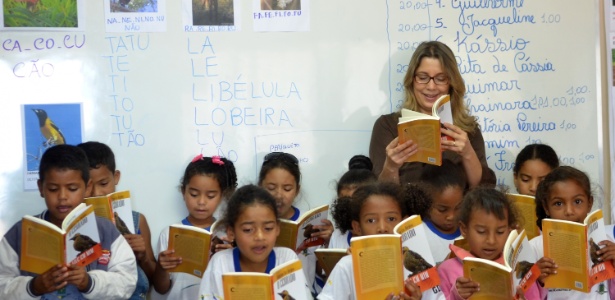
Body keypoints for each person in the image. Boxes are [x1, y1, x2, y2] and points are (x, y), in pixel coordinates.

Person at [0, 144, 137, 298]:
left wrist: (89, 282)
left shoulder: (106, 230)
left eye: (72, 188)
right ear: (41, 188)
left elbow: (127, 281)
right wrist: (34, 286)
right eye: (53, 189)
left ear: (87, 188)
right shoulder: (20, 233)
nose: (62, 197)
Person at [369, 41, 495, 188]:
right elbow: (380, 196)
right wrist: (391, 167)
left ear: (451, 83)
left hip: (456, 211)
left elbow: (484, 191)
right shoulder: (387, 126)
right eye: (423, 77)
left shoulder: (467, 130)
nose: (431, 86)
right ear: (412, 81)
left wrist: (467, 153)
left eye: (441, 79)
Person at [198, 184, 311, 299]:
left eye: (268, 228)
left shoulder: (287, 260)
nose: (260, 236)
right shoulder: (220, 263)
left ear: (277, 228)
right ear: (231, 232)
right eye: (248, 230)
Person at [152, 154, 237, 300]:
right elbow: (161, 289)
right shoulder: (169, 233)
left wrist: (233, 256)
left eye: (210, 196)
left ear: (222, 195)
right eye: (194, 194)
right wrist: (161, 267)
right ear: (183, 191)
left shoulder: (227, 233)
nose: (201, 202)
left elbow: (235, 285)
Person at [77, 141, 155, 300]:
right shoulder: (70, 225)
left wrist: (143, 257)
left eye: (104, 183)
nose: (97, 193)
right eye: (89, 186)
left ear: (116, 177)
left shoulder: (136, 221)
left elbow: (154, 281)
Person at [317, 182, 422, 300]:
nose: (382, 228)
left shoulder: (416, 263)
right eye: (371, 220)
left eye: (391, 218)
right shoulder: (347, 266)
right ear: (357, 227)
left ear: (404, 222)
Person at [437, 187, 543, 299]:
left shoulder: (518, 267)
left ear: (509, 230)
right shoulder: (448, 269)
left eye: (500, 232)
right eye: (481, 232)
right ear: (464, 229)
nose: (491, 241)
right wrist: (456, 296)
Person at [530, 166, 615, 299]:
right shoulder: (534, 248)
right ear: (546, 207)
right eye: (558, 204)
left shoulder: (605, 242)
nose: (569, 211)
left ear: (590, 203)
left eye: (577, 201)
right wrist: (537, 280)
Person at [258, 151, 333, 295]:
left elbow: (322, 273)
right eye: (271, 188)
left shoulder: (309, 221)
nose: (279, 195)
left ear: (297, 190)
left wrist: (328, 244)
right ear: (261, 186)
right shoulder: (252, 223)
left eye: (287, 189)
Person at [415, 160, 466, 264]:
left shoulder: (468, 230)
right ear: (425, 202)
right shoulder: (420, 235)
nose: (451, 216)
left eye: (458, 207)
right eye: (442, 210)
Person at [329, 154, 377, 249]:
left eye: (357, 201)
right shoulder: (337, 236)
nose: (350, 207)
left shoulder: (383, 232)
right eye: (345, 202)